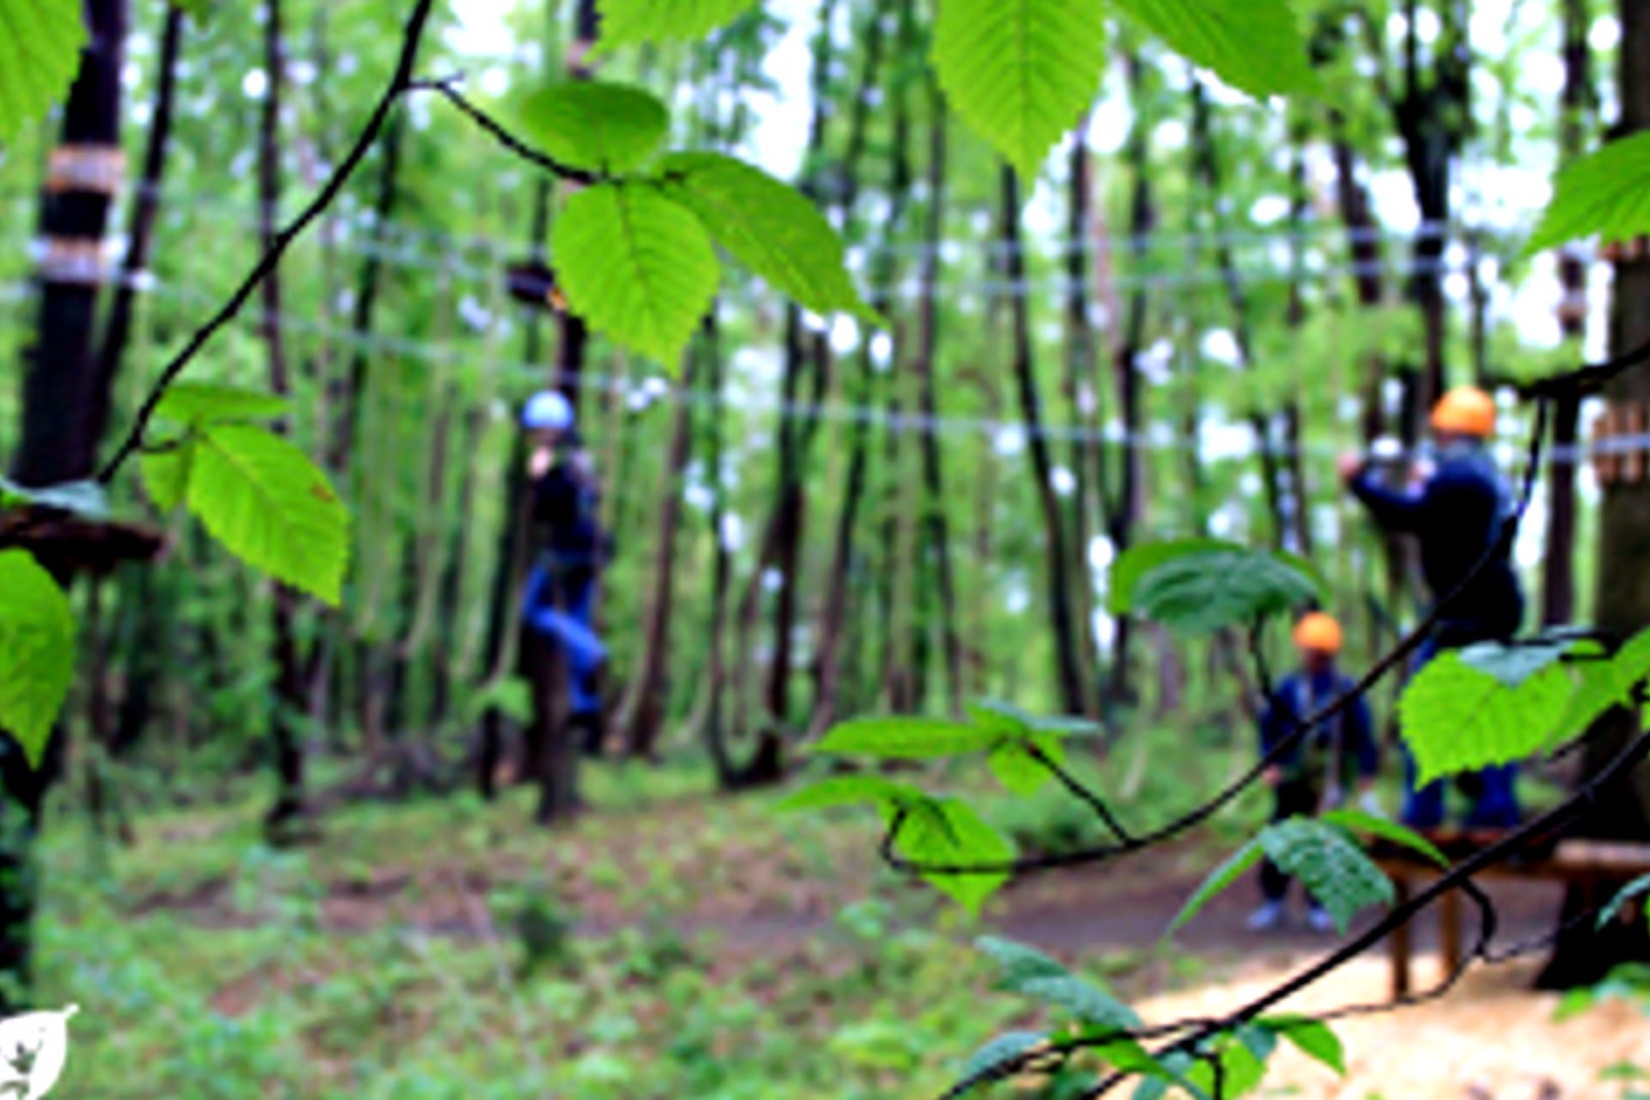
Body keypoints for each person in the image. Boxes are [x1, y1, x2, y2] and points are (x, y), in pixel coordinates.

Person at [1338, 385, 1524, 831]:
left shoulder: (1460, 479)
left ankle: (1435, 813)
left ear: (1448, 430)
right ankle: (1487, 809)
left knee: (1430, 715)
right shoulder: (1486, 478)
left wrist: (1357, 484)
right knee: (1486, 713)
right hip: (1485, 615)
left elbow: (1410, 517)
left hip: (1467, 621)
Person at [1249, 611, 1381, 933]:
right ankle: (1273, 901)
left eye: (1315, 651)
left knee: (1323, 845)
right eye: (1306, 649)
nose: (1309, 656)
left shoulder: (1344, 688)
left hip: (1329, 780)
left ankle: (1320, 907)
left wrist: (1366, 772)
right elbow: (1267, 728)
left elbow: (1362, 733)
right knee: (1281, 840)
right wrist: (1270, 763)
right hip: (1292, 779)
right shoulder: (1288, 687)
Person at [519, 389, 610, 757]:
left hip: (568, 553)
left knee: (535, 612)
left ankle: (594, 652)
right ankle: (583, 706)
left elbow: (553, 508)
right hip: (589, 553)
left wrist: (538, 479)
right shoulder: (580, 456)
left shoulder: (558, 461)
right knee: (573, 623)